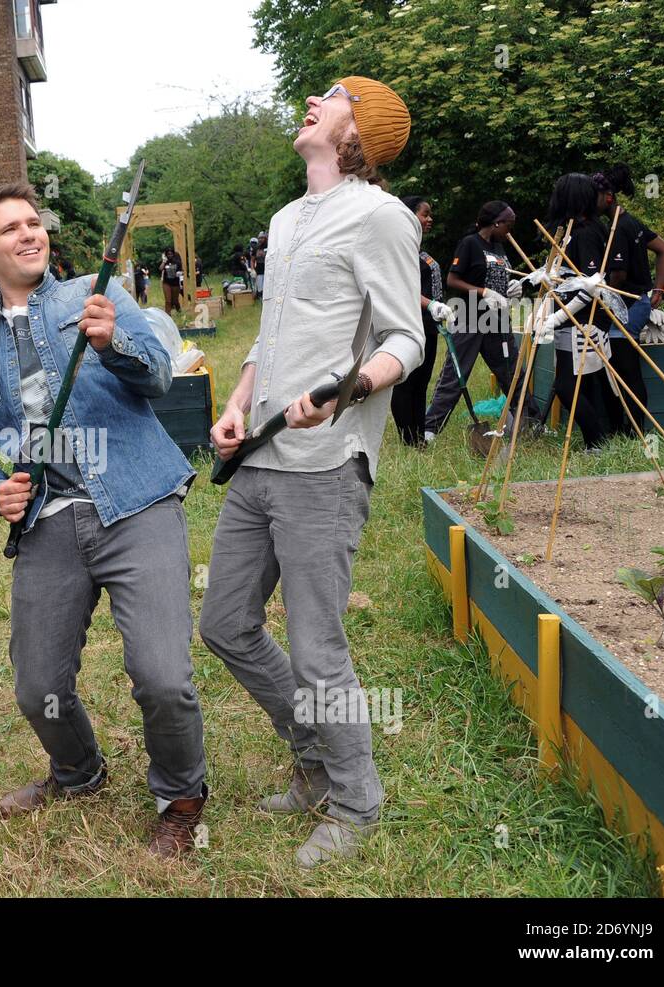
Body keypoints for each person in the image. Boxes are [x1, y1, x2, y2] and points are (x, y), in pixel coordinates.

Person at [199, 76, 425, 869]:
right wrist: (235, 403)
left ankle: (357, 800)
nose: (313, 99)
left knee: (319, 643)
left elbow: (408, 338)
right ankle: (314, 757)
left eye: (332, 95)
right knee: (224, 622)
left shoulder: (382, 216)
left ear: (362, 128)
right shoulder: (286, 219)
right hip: (260, 453)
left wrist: (347, 391)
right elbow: (271, 337)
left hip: (327, 466)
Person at [0, 182, 208, 857]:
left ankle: (181, 795)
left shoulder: (94, 295)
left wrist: (114, 339)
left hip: (134, 499)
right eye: (11, 229)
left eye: (36, 223)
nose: (30, 234)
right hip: (48, 518)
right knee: (37, 685)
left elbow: (157, 374)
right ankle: (79, 772)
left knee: (160, 674)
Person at [423, 200, 538, 440]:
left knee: (512, 372)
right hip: (470, 317)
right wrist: (483, 291)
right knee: (456, 375)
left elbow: (500, 282)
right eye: (509, 224)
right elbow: (453, 281)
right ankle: (430, 428)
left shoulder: (499, 247)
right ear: (496, 222)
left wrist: (511, 288)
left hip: (497, 320)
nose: (510, 230)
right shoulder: (470, 244)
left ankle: (530, 421)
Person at [535, 173, 626, 451]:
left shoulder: (586, 233)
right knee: (579, 382)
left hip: (582, 320)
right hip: (569, 319)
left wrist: (558, 317)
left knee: (567, 386)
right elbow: (564, 275)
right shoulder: (570, 231)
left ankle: (597, 442)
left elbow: (592, 286)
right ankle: (603, 437)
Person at [594, 166, 664, 435]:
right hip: (639, 300)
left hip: (626, 305)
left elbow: (617, 276)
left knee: (626, 369)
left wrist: (592, 294)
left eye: (593, 196)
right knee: (622, 368)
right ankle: (627, 427)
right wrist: (657, 290)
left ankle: (635, 429)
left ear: (608, 197)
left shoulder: (618, 228)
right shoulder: (630, 220)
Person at [390, 196, 450, 446]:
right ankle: (408, 438)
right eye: (425, 214)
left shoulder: (419, 250)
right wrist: (431, 304)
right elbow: (399, 288)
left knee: (421, 382)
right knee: (407, 382)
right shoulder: (401, 251)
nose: (429, 219)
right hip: (409, 324)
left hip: (429, 327)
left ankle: (418, 435)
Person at [160, 246, 184, 316]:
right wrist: (163, 261)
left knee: (175, 301)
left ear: (173, 254)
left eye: (171, 254)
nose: (169, 255)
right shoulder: (165, 261)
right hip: (166, 282)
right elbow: (161, 268)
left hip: (175, 283)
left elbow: (182, 271)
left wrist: (180, 274)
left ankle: (179, 312)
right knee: (168, 301)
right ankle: (168, 316)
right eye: (168, 254)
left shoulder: (177, 262)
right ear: (166, 255)